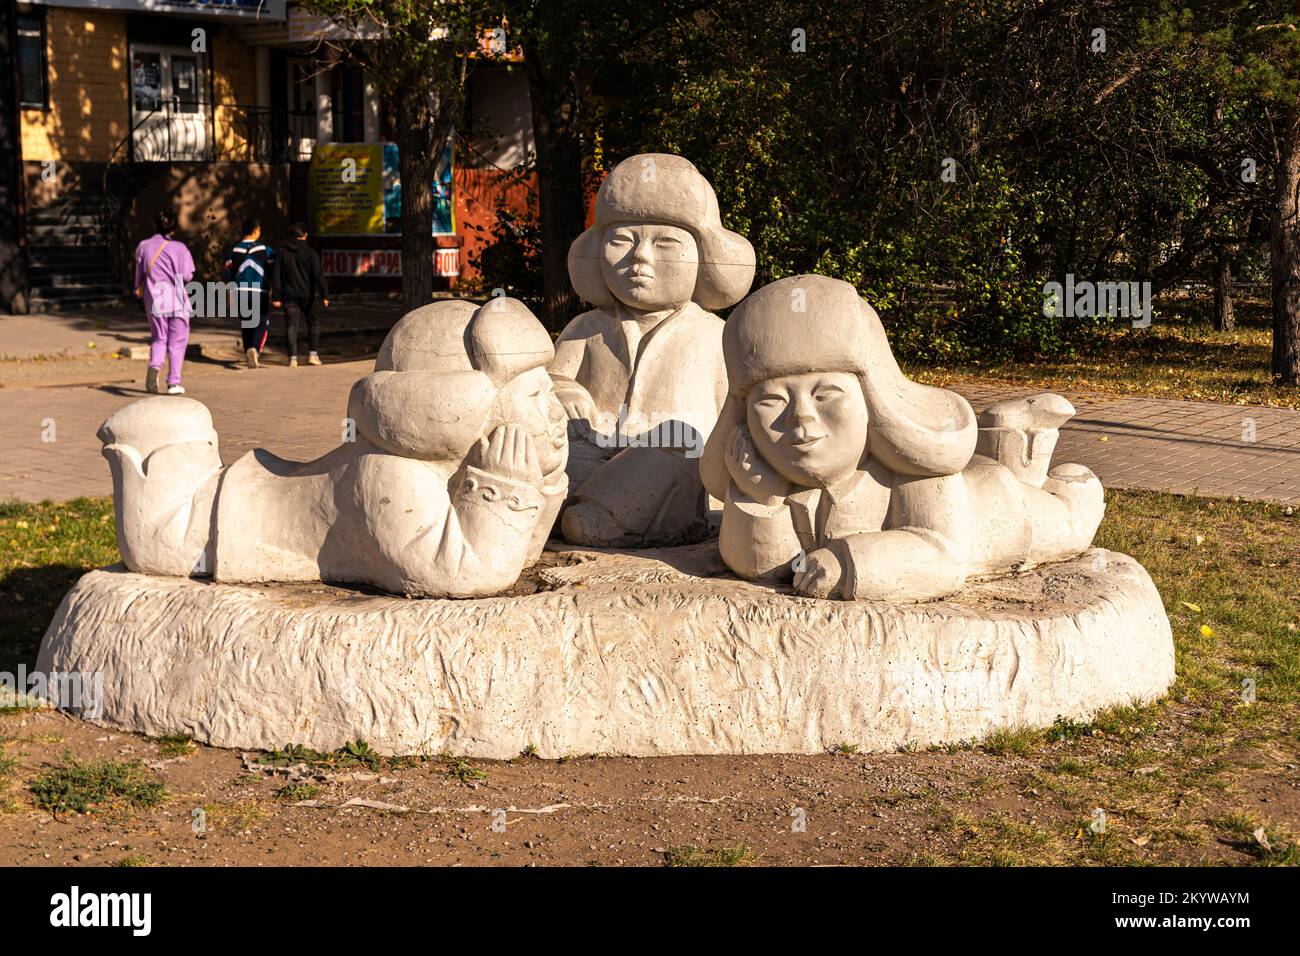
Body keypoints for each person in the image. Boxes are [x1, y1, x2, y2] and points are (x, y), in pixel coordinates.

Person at [699, 275, 1106, 603]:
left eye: (825, 394)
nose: (801, 416)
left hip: (998, 509)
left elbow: (943, 556)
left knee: (1068, 521)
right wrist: (761, 501)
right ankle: (1008, 434)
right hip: (981, 487)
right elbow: (760, 568)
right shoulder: (765, 473)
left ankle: (1041, 458)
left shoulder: (915, 471)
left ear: (871, 401)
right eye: (771, 400)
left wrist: (847, 562)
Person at [548, 153, 755, 548]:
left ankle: (599, 516)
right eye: (622, 240)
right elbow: (547, 383)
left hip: (675, 470)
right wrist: (563, 390)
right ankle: (574, 509)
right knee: (555, 454)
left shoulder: (717, 336)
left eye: (665, 242)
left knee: (676, 440)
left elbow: (738, 410)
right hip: (592, 450)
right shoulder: (585, 329)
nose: (639, 257)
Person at [134, 207, 196, 395]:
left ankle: (155, 366)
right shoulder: (180, 248)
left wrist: (137, 287)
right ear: (173, 228)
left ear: (156, 224)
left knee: (159, 338)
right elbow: (187, 276)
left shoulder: (143, 246)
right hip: (177, 300)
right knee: (178, 341)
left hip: (154, 299)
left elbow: (139, 275)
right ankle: (173, 383)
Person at [270, 222, 329, 368]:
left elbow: (276, 275)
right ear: (305, 235)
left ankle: (292, 358)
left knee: (291, 325)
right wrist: (324, 294)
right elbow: (318, 275)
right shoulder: (311, 253)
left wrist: (276, 297)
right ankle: (313, 355)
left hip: (289, 295)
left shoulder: (282, 252)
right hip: (308, 295)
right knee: (313, 323)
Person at [223, 217, 274, 369]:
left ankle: (248, 349)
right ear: (257, 230)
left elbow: (228, 273)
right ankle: (255, 349)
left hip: (240, 291)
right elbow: (274, 270)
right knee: (262, 323)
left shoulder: (234, 250)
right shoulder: (266, 250)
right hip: (260, 291)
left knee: (247, 323)